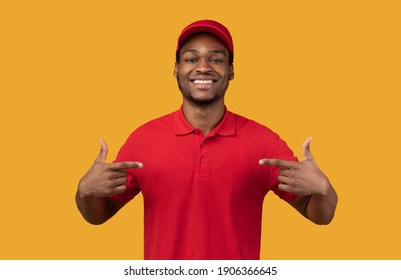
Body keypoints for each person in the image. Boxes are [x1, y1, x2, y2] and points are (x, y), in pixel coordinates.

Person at [75, 19, 338, 260]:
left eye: (216, 59)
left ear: (231, 71)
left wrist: (323, 188)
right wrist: (85, 192)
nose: (203, 67)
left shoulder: (264, 142)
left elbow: (319, 215)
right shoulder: (143, 140)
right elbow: (100, 215)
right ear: (176, 69)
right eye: (191, 59)